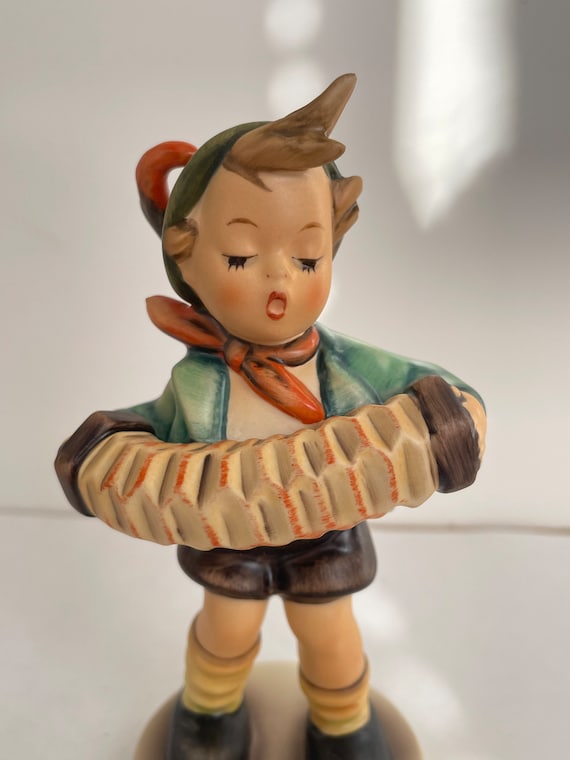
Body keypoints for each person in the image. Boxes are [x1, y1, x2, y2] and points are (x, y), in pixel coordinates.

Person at [56, 74, 486, 760]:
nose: (280, 279)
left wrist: (450, 424)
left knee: (331, 634)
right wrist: (99, 446)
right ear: (186, 257)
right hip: (227, 531)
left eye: (308, 257)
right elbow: (152, 425)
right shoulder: (196, 382)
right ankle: (209, 717)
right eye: (240, 256)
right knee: (225, 629)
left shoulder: (347, 367)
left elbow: (437, 388)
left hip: (327, 528)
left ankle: (342, 725)